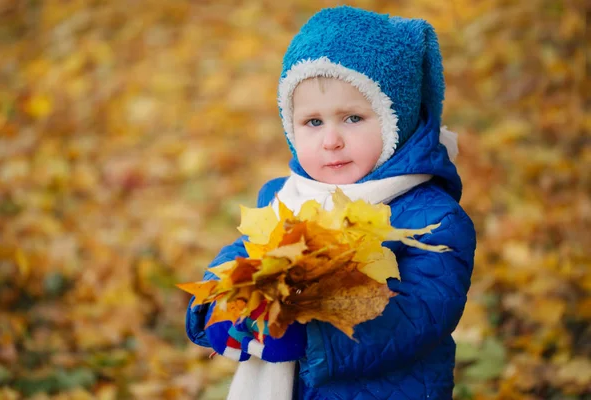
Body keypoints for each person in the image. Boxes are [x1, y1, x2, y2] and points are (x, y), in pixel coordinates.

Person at [185, 6, 476, 400]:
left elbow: (418, 316)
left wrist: (313, 338)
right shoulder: (284, 198)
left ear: (397, 121)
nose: (331, 140)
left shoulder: (430, 217)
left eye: (353, 118)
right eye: (313, 122)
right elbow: (242, 259)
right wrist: (220, 304)